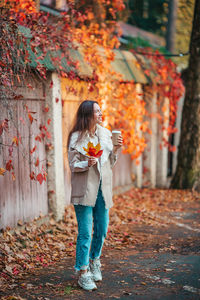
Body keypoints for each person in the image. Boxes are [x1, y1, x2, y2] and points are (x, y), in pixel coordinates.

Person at [67, 100, 123, 291]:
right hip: (84, 190)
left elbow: (110, 163)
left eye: (100, 111)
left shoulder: (106, 134)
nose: (100, 114)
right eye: (97, 111)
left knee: (102, 229)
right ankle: (83, 272)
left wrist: (115, 149)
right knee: (85, 232)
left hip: (102, 190)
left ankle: (94, 261)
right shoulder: (76, 137)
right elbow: (73, 165)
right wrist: (87, 163)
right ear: (87, 115)